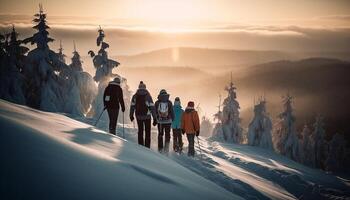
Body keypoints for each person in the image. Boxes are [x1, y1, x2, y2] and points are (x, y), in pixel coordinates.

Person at [130, 81, 157, 148]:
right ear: (145, 88)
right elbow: (152, 107)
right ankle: (147, 147)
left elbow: (132, 106)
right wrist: (155, 118)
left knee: (140, 131)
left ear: (139, 87)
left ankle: (141, 146)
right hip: (147, 116)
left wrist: (131, 115)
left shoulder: (135, 96)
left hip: (138, 116)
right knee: (148, 132)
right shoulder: (148, 96)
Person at [155, 89, 174, 153]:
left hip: (160, 122)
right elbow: (171, 111)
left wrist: (155, 119)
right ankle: (166, 149)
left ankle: (160, 149)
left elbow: (155, 112)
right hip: (168, 121)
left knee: (160, 134)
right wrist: (173, 119)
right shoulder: (169, 102)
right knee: (167, 134)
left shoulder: (157, 102)